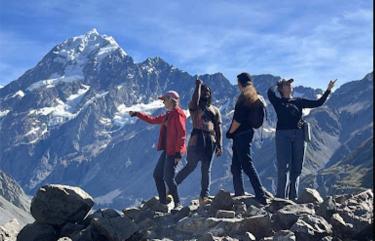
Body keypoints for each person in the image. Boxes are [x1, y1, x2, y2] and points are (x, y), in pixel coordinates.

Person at [267, 78, 336, 200]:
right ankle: (280, 198)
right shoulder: (277, 101)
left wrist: (328, 90)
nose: (290, 86)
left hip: (299, 135)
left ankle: (293, 197)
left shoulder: (299, 101)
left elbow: (318, 103)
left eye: (290, 84)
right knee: (284, 167)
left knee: (297, 167)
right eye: (287, 85)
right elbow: (270, 92)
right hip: (282, 136)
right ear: (281, 88)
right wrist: (278, 82)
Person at [129, 90, 186, 211]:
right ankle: (163, 202)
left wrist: (178, 153)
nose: (163, 102)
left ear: (171, 100)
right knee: (157, 175)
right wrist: (137, 114)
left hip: (174, 151)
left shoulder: (178, 114)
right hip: (168, 150)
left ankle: (178, 203)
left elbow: (182, 134)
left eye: (164, 100)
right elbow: (153, 120)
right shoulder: (168, 115)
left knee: (168, 177)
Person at [175, 79, 223, 205]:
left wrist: (219, 145)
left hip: (210, 141)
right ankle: (172, 188)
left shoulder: (215, 110)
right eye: (204, 91)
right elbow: (194, 101)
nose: (206, 93)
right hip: (196, 139)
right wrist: (198, 86)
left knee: (206, 169)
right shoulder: (194, 107)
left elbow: (218, 128)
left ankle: (204, 196)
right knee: (190, 166)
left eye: (208, 91)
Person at [226, 72, 269, 205]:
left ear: (240, 83)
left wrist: (229, 132)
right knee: (236, 166)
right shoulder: (254, 95)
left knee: (246, 165)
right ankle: (239, 193)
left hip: (240, 134)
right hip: (247, 133)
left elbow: (237, 120)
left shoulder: (244, 97)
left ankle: (260, 195)